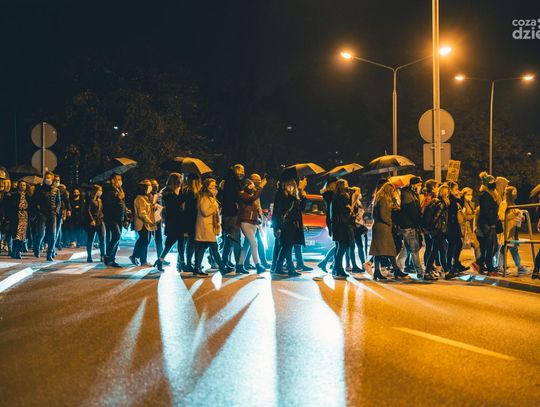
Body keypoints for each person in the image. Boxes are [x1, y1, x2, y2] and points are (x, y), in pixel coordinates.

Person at [194, 178, 231, 276]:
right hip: (206, 227)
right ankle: (222, 268)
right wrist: (214, 207)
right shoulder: (204, 197)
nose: (214, 187)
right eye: (212, 186)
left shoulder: (211, 197)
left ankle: (197, 268)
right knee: (214, 248)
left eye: (215, 185)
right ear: (207, 187)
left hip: (208, 226)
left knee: (202, 248)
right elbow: (205, 212)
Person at [369, 182, 405, 280]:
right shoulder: (384, 200)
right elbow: (384, 215)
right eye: (392, 191)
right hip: (383, 227)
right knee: (390, 249)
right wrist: (390, 222)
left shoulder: (378, 198)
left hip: (378, 226)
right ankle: (396, 270)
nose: (393, 192)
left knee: (379, 250)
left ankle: (377, 271)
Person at [396, 177, 428, 280]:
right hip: (409, 226)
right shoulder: (407, 194)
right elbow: (412, 211)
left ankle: (398, 268)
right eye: (418, 185)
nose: (420, 187)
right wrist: (418, 222)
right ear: (413, 185)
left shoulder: (412, 194)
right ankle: (420, 273)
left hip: (410, 225)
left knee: (407, 249)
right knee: (414, 250)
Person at [272, 179, 305, 277]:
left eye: (293, 185)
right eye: (289, 185)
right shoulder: (282, 196)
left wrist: (303, 197)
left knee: (286, 246)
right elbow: (278, 211)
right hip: (286, 224)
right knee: (288, 246)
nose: (291, 187)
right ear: (284, 185)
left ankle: (278, 267)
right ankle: (290, 268)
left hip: (293, 225)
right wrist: (277, 227)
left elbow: (300, 209)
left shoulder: (293, 197)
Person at [236, 176, 267, 274]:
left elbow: (254, 207)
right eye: (251, 185)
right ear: (246, 186)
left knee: (247, 245)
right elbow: (251, 199)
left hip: (253, 222)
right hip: (245, 222)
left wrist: (258, 218)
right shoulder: (242, 194)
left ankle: (240, 265)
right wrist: (260, 187)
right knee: (254, 243)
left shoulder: (251, 195)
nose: (253, 187)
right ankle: (258, 265)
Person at [154, 173, 184, 272]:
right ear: (175, 181)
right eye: (180, 181)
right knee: (171, 242)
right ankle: (161, 260)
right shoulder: (168, 193)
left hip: (178, 220)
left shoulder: (173, 192)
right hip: (173, 221)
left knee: (179, 242)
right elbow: (175, 205)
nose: (181, 183)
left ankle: (180, 262)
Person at [423, 184, 452, 279]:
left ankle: (446, 272)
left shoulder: (435, 201)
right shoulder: (441, 204)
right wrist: (433, 228)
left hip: (435, 230)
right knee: (434, 251)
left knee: (442, 250)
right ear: (445, 193)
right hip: (438, 231)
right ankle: (427, 272)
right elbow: (436, 217)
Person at [498, 186, 529, 275]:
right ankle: (501, 267)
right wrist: (513, 215)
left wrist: (521, 217)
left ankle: (518, 267)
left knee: (512, 249)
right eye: (514, 192)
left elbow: (516, 213)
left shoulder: (513, 204)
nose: (515, 194)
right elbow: (501, 217)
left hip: (513, 230)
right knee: (505, 249)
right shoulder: (504, 204)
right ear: (509, 193)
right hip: (507, 230)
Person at [32, 172, 61, 261]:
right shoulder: (40, 189)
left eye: (49, 177)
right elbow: (35, 201)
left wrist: (56, 211)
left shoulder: (56, 190)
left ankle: (49, 254)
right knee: (41, 233)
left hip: (52, 214)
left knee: (53, 235)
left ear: (52, 179)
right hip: (43, 214)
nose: (47, 179)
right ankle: (37, 247)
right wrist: (38, 211)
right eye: (46, 177)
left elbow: (59, 202)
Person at [476, 172, 500, 276]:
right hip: (487, 224)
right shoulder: (485, 195)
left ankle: (480, 263)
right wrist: (492, 223)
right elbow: (486, 211)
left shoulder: (490, 194)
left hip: (488, 223)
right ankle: (489, 268)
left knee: (491, 247)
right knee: (491, 247)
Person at [220, 164, 244, 268]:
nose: (243, 173)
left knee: (228, 240)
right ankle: (239, 264)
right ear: (237, 171)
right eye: (242, 171)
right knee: (236, 239)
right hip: (233, 213)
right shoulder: (234, 182)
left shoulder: (226, 181)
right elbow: (236, 197)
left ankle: (224, 261)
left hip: (226, 213)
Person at [331, 179, 355, 277]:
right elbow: (344, 210)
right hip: (342, 226)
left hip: (338, 225)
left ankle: (337, 268)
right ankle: (338, 269)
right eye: (346, 184)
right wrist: (349, 207)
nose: (347, 186)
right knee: (342, 247)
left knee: (340, 247)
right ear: (342, 186)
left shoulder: (336, 197)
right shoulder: (341, 197)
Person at [130, 179, 156, 266]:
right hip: (142, 223)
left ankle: (135, 256)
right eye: (149, 186)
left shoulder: (146, 198)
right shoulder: (140, 198)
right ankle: (143, 261)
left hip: (146, 223)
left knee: (144, 240)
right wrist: (149, 221)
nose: (150, 187)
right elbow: (142, 213)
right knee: (144, 240)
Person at [103, 174, 126, 267]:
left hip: (119, 217)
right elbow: (108, 204)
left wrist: (125, 218)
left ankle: (112, 260)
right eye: (118, 179)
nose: (120, 181)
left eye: (120, 179)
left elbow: (123, 205)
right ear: (112, 180)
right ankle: (107, 256)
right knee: (116, 236)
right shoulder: (109, 190)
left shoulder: (120, 191)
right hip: (112, 217)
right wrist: (117, 198)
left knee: (118, 238)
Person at [446, 181, 468, 275]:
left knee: (457, 244)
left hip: (454, 225)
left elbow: (460, 206)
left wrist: (460, 197)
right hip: (451, 226)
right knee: (452, 246)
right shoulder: (450, 198)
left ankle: (455, 264)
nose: (457, 190)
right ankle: (450, 267)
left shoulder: (454, 198)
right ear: (450, 189)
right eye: (455, 189)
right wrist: (458, 198)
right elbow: (454, 208)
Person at [181, 173, 201, 271]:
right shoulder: (193, 192)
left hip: (186, 218)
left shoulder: (184, 190)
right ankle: (189, 263)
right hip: (193, 218)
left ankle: (185, 262)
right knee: (192, 241)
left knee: (187, 241)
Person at [318, 178, 337, 272]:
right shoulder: (329, 194)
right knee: (337, 244)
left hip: (331, 219)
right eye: (335, 184)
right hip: (332, 219)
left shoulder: (329, 194)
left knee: (337, 244)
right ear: (331, 184)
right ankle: (325, 262)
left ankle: (333, 263)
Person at [6, 181, 29, 259]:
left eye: (24, 185)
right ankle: (14, 251)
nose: (22, 186)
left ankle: (18, 251)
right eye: (21, 185)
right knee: (15, 235)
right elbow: (9, 207)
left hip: (24, 216)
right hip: (16, 216)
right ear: (18, 186)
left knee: (22, 236)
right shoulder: (13, 195)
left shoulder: (28, 195)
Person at [461, 187, 481, 271]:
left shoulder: (471, 203)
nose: (470, 196)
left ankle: (478, 263)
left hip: (471, 227)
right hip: (465, 227)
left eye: (471, 194)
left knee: (476, 245)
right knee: (460, 246)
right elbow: (463, 216)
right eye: (468, 194)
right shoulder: (462, 204)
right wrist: (474, 215)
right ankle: (453, 263)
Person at [84, 185, 106, 263]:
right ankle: (89, 256)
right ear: (95, 191)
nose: (101, 192)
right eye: (99, 190)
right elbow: (87, 210)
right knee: (91, 239)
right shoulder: (90, 200)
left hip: (100, 221)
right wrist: (91, 220)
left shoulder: (100, 200)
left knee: (102, 238)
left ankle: (103, 256)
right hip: (92, 222)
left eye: (101, 191)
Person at [349, 187, 367, 272]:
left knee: (360, 246)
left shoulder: (358, 202)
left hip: (358, 227)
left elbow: (361, 215)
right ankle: (354, 266)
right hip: (353, 227)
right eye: (359, 192)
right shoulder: (352, 202)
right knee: (352, 247)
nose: (360, 194)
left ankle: (363, 264)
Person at [150, 179, 164, 259]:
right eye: (153, 185)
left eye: (156, 184)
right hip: (151, 220)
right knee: (147, 239)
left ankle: (160, 257)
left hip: (158, 219)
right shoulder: (149, 195)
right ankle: (136, 255)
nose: (155, 186)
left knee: (159, 239)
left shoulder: (159, 195)